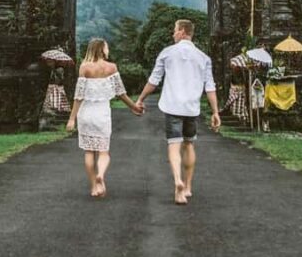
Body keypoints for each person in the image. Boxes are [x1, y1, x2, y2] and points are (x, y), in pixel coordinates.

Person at [135, 19, 221, 205]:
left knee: (174, 145)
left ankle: (177, 181)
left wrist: (140, 99)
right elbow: (210, 87)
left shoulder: (167, 53)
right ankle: (188, 187)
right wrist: (215, 112)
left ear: (182, 31)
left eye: (174, 30)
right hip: (191, 107)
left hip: (172, 106)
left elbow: (154, 80)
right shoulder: (203, 57)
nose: (173, 34)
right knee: (189, 145)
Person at [66, 38, 142, 197]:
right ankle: (101, 174)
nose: (108, 50)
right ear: (102, 49)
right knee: (103, 151)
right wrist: (134, 106)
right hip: (102, 113)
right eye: (107, 47)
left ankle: (94, 186)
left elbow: (78, 96)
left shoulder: (85, 67)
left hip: (86, 113)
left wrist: (72, 119)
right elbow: (121, 93)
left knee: (88, 152)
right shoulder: (112, 67)